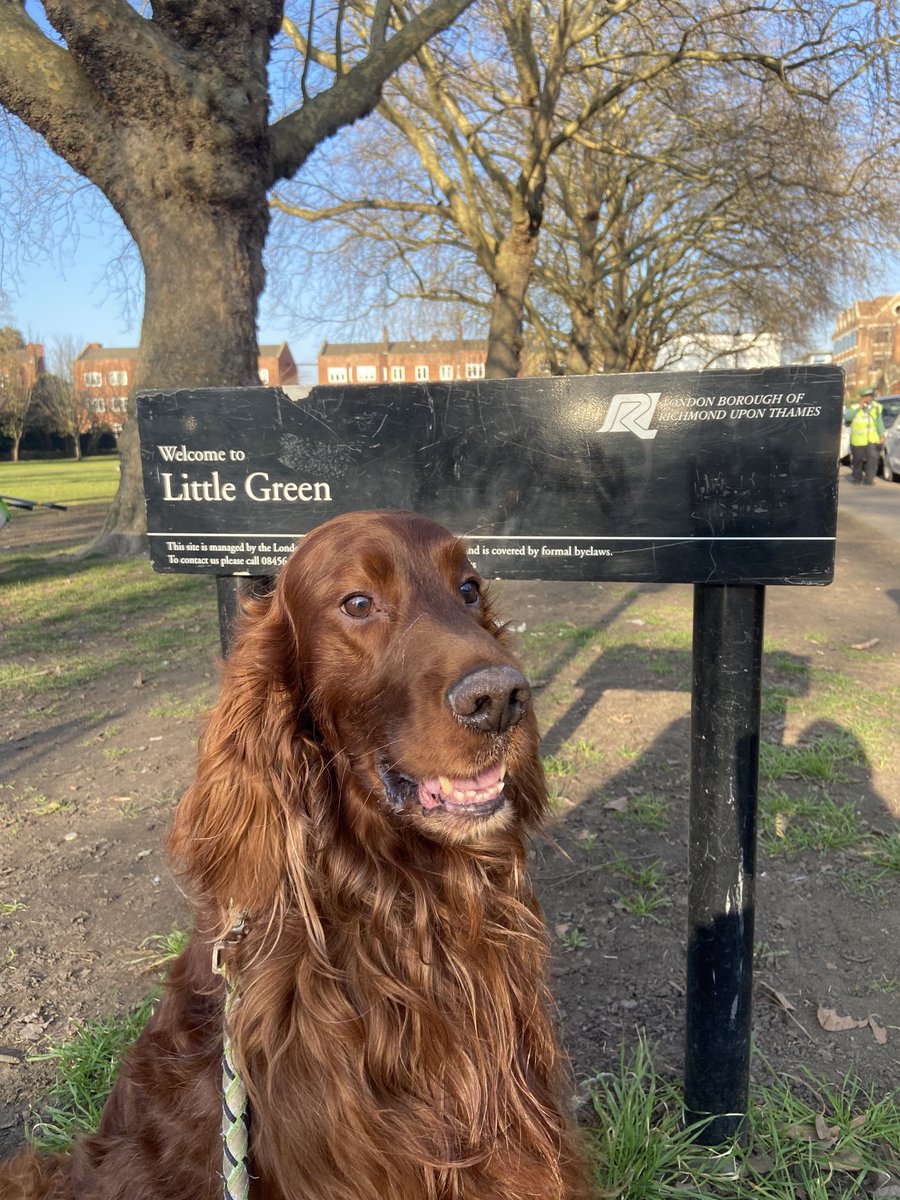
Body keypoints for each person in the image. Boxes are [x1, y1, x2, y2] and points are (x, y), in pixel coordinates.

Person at [843, 386, 885, 485]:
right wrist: (859, 407)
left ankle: (869, 479)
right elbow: (847, 417)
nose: (869, 398)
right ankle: (857, 478)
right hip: (857, 440)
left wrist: (882, 434)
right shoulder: (854, 407)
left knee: (873, 459)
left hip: (872, 439)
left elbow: (879, 421)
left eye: (870, 396)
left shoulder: (876, 407)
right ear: (861, 397)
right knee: (857, 460)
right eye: (866, 396)